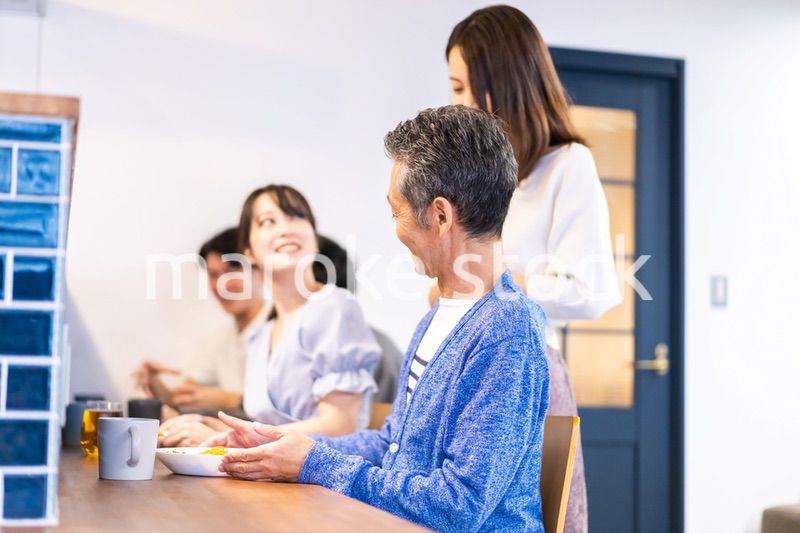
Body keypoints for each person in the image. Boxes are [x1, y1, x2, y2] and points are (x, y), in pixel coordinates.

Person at [204, 106, 551, 532]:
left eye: (396, 212)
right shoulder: (438, 318)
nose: (397, 229)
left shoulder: (507, 328)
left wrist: (314, 462)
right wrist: (285, 444)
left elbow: (457, 506)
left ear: (440, 216)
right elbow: (390, 445)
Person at [441, 6, 624, 531]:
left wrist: (495, 283)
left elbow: (591, 291)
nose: (455, 102)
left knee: (539, 518)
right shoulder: (487, 175)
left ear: (497, 84)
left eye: (460, 88)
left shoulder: (568, 166)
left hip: (530, 372)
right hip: (471, 368)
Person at [161, 185, 381, 446]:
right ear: (249, 253)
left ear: (313, 235)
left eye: (297, 216)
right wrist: (205, 425)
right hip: (269, 478)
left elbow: (341, 424)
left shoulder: (333, 307)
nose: (285, 229)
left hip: (317, 481)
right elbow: (272, 427)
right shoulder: (261, 334)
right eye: (268, 221)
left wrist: (228, 439)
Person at [133, 228, 266, 413]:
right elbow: (182, 398)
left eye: (232, 271)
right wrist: (154, 381)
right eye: (213, 274)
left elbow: (290, 410)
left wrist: (230, 399)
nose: (222, 284)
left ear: (261, 270)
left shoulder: (282, 328)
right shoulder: (222, 339)